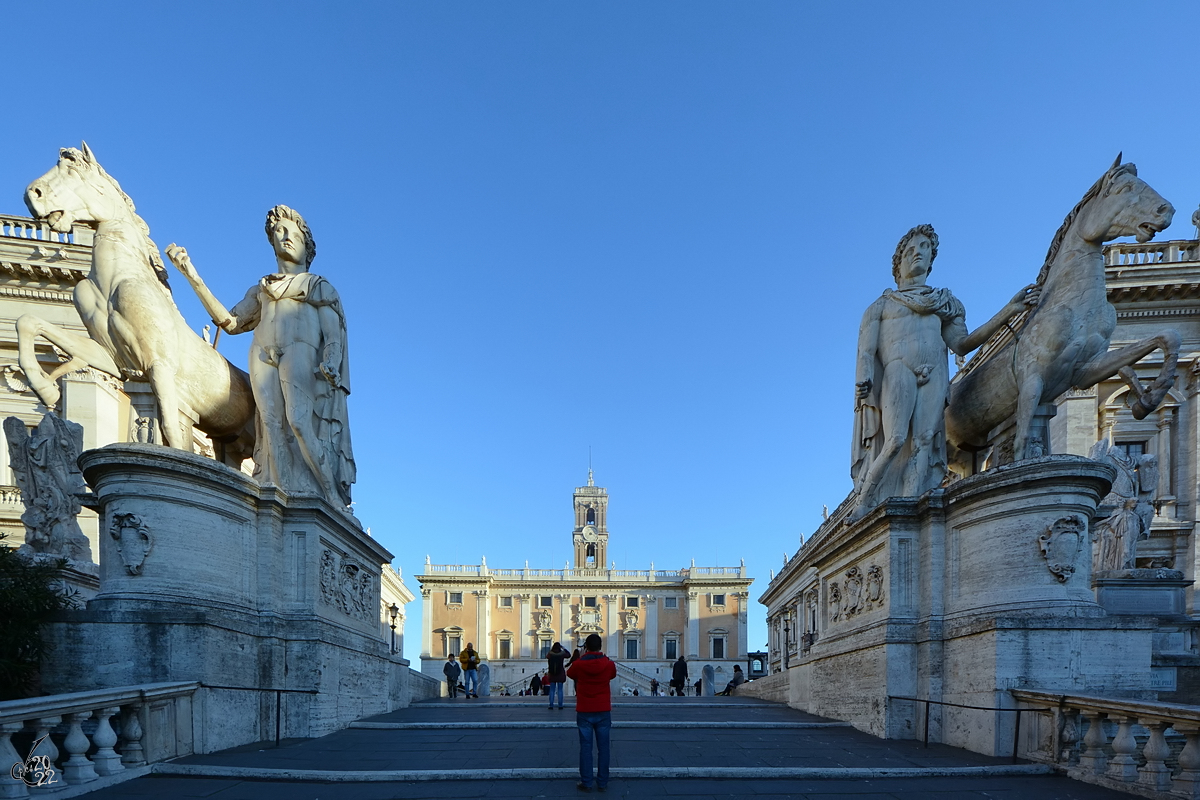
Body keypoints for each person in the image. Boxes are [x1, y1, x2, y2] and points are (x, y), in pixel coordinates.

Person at [166, 206, 355, 507]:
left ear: (307, 245)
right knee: (270, 428)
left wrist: (331, 361)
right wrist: (192, 276)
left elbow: (333, 335)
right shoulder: (261, 289)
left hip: (299, 351)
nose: (285, 236)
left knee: (299, 422)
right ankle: (275, 498)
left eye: (293, 232)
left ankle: (330, 496)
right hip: (262, 355)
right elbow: (230, 323)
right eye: (278, 231)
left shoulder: (318, 287)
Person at [850, 224, 1038, 520]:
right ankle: (864, 500)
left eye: (924, 249)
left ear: (932, 258)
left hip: (934, 372)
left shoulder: (946, 304)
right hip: (899, 368)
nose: (917, 254)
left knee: (925, 440)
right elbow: (865, 351)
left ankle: (912, 510)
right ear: (898, 266)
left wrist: (1007, 312)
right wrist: (864, 380)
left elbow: (962, 345)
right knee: (897, 438)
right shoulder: (881, 306)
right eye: (910, 251)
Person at [567, 633, 616, 793]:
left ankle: (586, 782)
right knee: (604, 748)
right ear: (600, 646)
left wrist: (581, 656)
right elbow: (613, 675)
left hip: (585, 710)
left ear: (586, 647)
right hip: (603, 710)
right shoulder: (608, 664)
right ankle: (602, 782)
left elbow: (570, 673)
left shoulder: (579, 664)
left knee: (586, 747)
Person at [546, 642, 568, 709]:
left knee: (552, 690)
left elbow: (547, 656)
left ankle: (551, 704)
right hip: (560, 673)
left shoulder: (550, 654)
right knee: (560, 690)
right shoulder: (561, 654)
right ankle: (560, 705)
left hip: (552, 673)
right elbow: (569, 655)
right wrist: (563, 648)